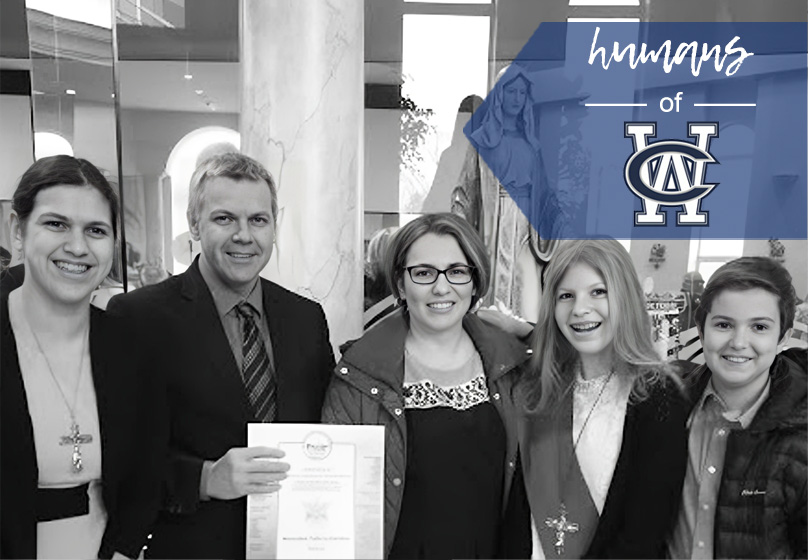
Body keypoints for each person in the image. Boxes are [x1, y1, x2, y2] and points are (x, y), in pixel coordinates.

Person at [106, 152, 336, 559]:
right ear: (194, 224)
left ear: (274, 226)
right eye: (224, 218)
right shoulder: (139, 317)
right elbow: (121, 455)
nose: (244, 235)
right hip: (191, 545)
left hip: (298, 543)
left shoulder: (306, 318)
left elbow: (327, 431)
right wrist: (206, 477)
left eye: (258, 220)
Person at [322, 212, 532, 559]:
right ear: (401, 284)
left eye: (457, 271)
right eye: (423, 273)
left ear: (475, 281)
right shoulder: (358, 376)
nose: (441, 287)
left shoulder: (514, 367)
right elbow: (334, 501)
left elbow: (589, 359)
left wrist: (527, 331)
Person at [1, 155, 158, 558]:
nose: (77, 246)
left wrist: (123, 552)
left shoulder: (130, 345)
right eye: (56, 224)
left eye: (95, 230)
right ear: (18, 230)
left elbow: (145, 475)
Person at [519, 238, 689, 558]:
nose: (580, 309)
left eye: (598, 292)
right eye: (566, 296)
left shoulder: (658, 396)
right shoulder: (540, 388)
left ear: (625, 297)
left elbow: (645, 531)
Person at [668, 257, 806, 559]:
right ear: (701, 330)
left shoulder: (801, 435)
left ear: (782, 337)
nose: (739, 342)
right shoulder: (669, 408)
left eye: (759, 326)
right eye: (723, 325)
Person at [457, 64, 562, 322]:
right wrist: (456, 231)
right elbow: (464, 191)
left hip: (527, 229)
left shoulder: (534, 144)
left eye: (521, 92)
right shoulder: (483, 141)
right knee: (493, 293)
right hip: (494, 224)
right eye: (510, 91)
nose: (516, 98)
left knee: (527, 298)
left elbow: (546, 195)